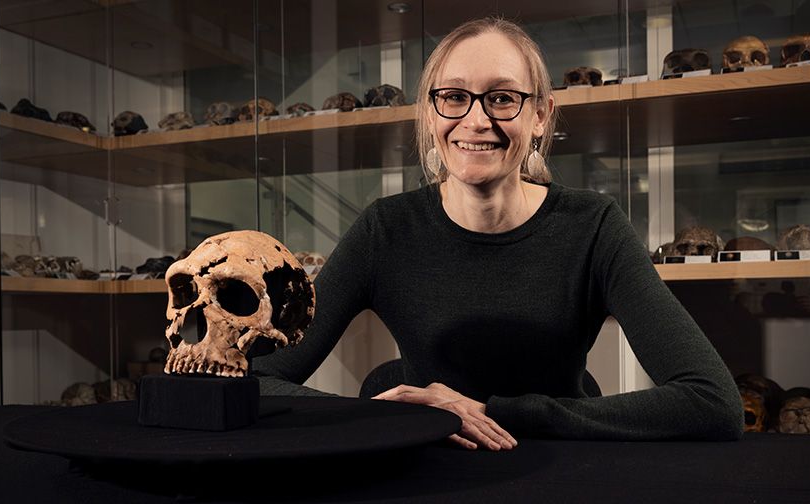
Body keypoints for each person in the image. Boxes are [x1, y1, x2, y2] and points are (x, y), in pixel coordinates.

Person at [254, 17, 743, 450]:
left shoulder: (594, 227)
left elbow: (712, 401)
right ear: (430, 112)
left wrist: (499, 413)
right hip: (429, 465)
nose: (476, 120)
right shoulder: (384, 229)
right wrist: (384, 415)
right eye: (454, 97)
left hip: (558, 458)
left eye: (503, 98)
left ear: (540, 116)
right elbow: (254, 380)